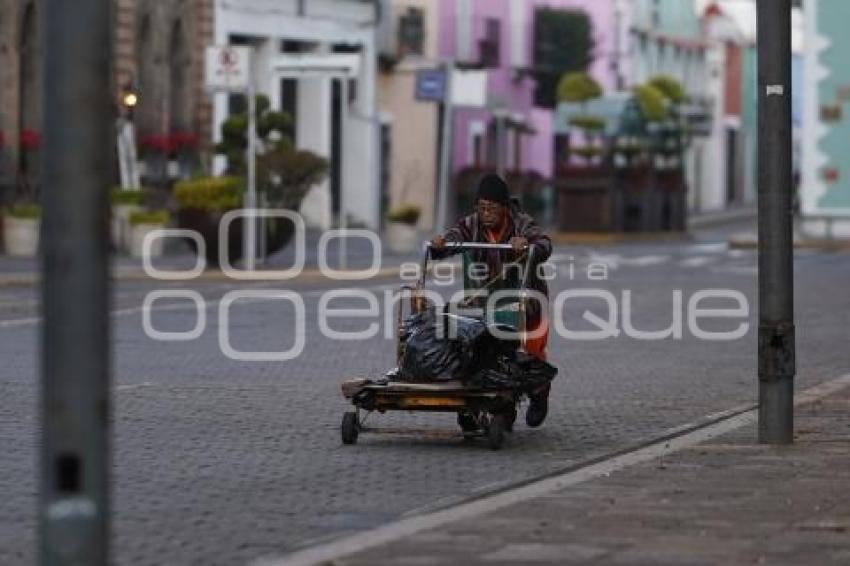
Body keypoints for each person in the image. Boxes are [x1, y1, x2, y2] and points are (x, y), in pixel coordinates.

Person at [430, 173, 553, 427]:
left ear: (505, 208)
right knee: (488, 352)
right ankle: (501, 407)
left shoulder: (521, 223)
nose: (486, 214)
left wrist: (527, 244)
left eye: (492, 208)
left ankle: (540, 395)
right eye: (481, 207)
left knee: (531, 354)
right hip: (486, 300)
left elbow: (544, 243)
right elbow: (454, 237)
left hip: (525, 300)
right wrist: (441, 244)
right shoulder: (471, 224)